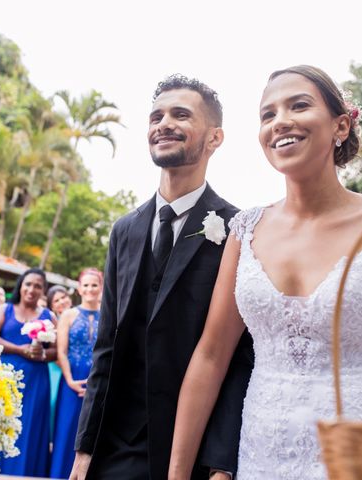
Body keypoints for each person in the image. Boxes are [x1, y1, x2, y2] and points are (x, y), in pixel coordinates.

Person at [168, 65, 362, 480]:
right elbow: (211, 356)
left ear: (341, 125)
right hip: (265, 452)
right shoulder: (245, 230)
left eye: (299, 105)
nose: (281, 121)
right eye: (268, 114)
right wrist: (177, 474)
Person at [70, 75, 253, 480]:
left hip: (192, 450)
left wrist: (221, 463)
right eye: (156, 116)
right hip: (117, 447)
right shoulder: (125, 229)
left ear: (215, 137)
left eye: (180, 115)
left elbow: (239, 358)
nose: (163, 123)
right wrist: (85, 450)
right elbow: (107, 347)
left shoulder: (237, 228)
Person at [0, 267, 58, 477]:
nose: (32, 289)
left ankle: (25, 472)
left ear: (43, 291)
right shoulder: (5, 310)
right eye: (28, 284)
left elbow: (60, 349)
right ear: (21, 286)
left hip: (36, 381)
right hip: (4, 380)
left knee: (29, 428)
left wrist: (42, 354)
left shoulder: (48, 316)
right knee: (1, 426)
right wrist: (19, 349)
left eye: (37, 286)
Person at [50, 268, 103, 479]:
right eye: (86, 285)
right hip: (71, 381)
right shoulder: (68, 315)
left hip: (98, 379)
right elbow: (61, 351)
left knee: (94, 430)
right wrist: (70, 379)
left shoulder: (110, 312)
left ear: (101, 287)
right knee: (67, 430)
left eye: (94, 285)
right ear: (79, 289)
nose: (90, 289)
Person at [46, 285, 73, 446]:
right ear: (52, 306)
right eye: (57, 300)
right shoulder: (51, 323)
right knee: (54, 403)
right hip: (56, 369)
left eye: (63, 297)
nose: (61, 302)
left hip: (78, 367)